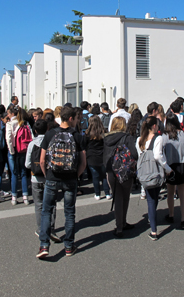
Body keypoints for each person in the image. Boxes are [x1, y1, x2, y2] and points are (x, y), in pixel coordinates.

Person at [37, 106, 86, 259]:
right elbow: (83, 163)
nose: (77, 121)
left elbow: (42, 160)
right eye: (76, 118)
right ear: (70, 118)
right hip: (70, 179)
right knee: (69, 213)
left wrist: (47, 175)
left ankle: (44, 245)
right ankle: (69, 246)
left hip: (52, 177)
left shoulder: (50, 134)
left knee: (47, 211)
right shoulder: (77, 136)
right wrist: (76, 176)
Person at [136, 116, 172, 241]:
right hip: (156, 171)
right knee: (153, 199)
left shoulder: (139, 140)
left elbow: (140, 155)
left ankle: (152, 220)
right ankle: (154, 230)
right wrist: (168, 169)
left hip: (144, 173)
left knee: (151, 199)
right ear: (154, 126)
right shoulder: (158, 138)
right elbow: (158, 155)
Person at [26, 119, 61, 243]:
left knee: (39, 204)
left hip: (35, 178)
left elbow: (27, 164)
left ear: (35, 130)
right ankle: (51, 228)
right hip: (49, 177)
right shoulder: (51, 141)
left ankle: (41, 228)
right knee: (51, 204)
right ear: (47, 129)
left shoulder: (31, 144)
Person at [104, 117, 138, 238]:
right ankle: (123, 222)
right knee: (125, 197)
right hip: (125, 171)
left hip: (111, 171)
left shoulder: (106, 138)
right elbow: (134, 154)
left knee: (117, 197)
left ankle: (119, 226)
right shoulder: (127, 137)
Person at [163, 113, 184, 229]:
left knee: (170, 193)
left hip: (170, 166)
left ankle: (171, 215)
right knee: (182, 194)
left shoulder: (165, 136)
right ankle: (183, 219)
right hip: (183, 164)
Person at [85, 116, 111, 200]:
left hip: (91, 157)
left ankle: (97, 194)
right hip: (102, 156)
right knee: (104, 176)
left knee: (95, 176)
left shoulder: (87, 134)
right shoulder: (104, 132)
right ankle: (107, 193)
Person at [12, 108, 33, 205]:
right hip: (25, 150)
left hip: (16, 151)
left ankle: (14, 197)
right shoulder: (26, 124)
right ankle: (25, 197)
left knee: (15, 174)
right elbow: (32, 137)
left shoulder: (14, 124)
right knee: (24, 173)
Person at [5, 106, 19, 202]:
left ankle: (14, 195)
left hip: (12, 149)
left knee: (13, 173)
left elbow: (8, 138)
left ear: (12, 114)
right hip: (21, 149)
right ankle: (26, 195)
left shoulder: (9, 124)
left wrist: (11, 150)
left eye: (8, 113)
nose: (7, 115)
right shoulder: (21, 122)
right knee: (22, 172)